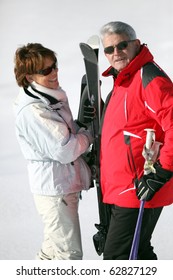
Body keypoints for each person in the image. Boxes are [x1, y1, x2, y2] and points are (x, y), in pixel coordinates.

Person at [99, 21, 173, 260]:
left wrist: (161, 172)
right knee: (137, 254)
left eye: (122, 45)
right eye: (109, 49)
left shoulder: (148, 77)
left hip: (140, 187)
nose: (116, 52)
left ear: (136, 44)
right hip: (120, 188)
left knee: (118, 261)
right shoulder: (121, 82)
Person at [13, 43, 93, 260]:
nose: (54, 72)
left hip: (60, 185)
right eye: (46, 70)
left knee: (52, 251)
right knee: (68, 256)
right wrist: (88, 135)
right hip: (55, 191)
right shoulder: (34, 110)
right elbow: (64, 149)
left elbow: (61, 134)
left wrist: (79, 124)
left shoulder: (48, 97)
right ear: (30, 77)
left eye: (54, 66)